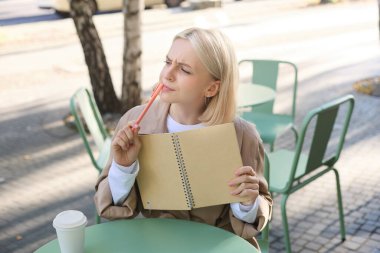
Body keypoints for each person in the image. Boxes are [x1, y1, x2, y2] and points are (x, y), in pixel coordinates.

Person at [94, 27, 272, 250]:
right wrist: (123, 167)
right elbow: (113, 208)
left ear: (211, 88)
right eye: (168, 62)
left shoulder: (243, 135)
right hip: (159, 244)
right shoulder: (136, 122)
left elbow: (256, 214)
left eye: (185, 70)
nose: (167, 74)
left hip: (218, 245)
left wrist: (247, 203)